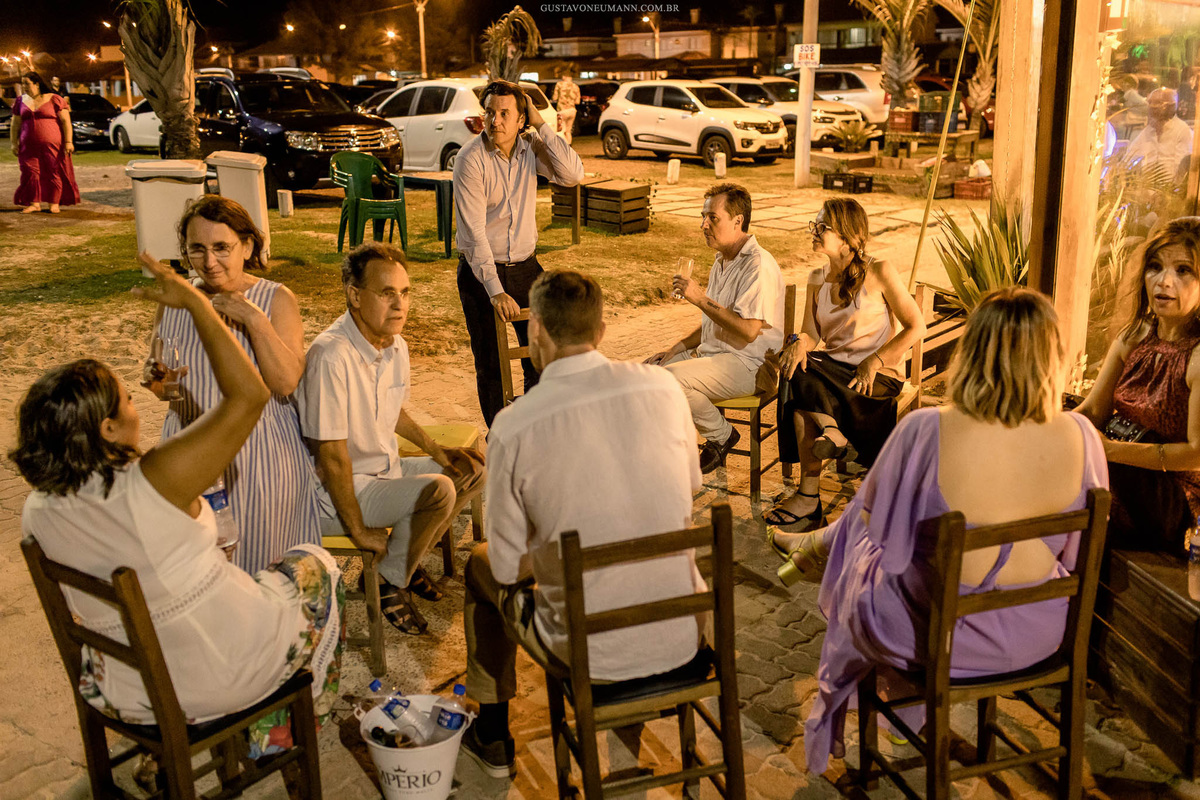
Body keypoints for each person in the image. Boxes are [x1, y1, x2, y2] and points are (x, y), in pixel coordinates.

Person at [11, 253, 345, 759]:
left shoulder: (37, 508)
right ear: (106, 428)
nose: (133, 405)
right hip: (207, 679)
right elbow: (249, 397)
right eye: (125, 399)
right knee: (316, 564)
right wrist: (195, 301)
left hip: (123, 688)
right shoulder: (154, 480)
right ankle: (274, 733)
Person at [794, 287, 1109, 773]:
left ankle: (816, 548)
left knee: (863, 544)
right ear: (1053, 357)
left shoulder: (927, 429)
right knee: (889, 548)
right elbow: (1074, 552)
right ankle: (819, 548)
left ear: (972, 351)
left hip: (936, 639)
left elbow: (876, 527)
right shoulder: (1083, 437)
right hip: (1039, 633)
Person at [460, 270, 705, 777]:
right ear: (602, 332)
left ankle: (493, 733)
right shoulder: (662, 387)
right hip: (681, 634)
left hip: (591, 654)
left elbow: (507, 567)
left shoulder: (514, 423)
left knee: (479, 565)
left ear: (538, 336)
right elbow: (691, 489)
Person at [299, 242, 486, 635]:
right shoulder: (331, 356)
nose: (400, 305)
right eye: (386, 294)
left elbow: (391, 411)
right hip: (339, 491)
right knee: (437, 491)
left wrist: (439, 451)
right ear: (354, 296)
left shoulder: (394, 343)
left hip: (383, 472)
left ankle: (405, 564)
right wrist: (359, 531)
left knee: (472, 469)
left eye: (404, 293)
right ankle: (389, 581)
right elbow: (331, 458)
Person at [145, 195, 320, 574]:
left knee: (261, 570)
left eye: (222, 247)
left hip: (258, 456)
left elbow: (287, 382)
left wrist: (254, 321)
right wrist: (161, 384)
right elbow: (162, 371)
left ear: (248, 246)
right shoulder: (178, 300)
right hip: (190, 451)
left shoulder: (275, 298)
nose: (209, 262)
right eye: (197, 249)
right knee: (197, 570)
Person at [762, 198, 925, 532]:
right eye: (815, 225)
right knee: (797, 363)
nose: (815, 231)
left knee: (800, 390)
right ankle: (831, 432)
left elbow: (916, 326)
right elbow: (809, 334)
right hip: (833, 374)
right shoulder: (815, 278)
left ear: (849, 237)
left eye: (823, 227)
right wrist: (796, 345)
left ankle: (809, 497)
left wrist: (875, 360)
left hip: (876, 378)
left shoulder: (879, 271)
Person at [454, 79, 585, 427]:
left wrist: (543, 125)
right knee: (490, 362)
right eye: (489, 112)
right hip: (482, 272)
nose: (494, 121)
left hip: (526, 268)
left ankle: (534, 426)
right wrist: (495, 291)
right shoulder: (470, 159)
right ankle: (502, 436)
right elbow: (473, 233)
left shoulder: (530, 147)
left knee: (544, 353)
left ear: (521, 120)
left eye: (504, 114)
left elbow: (572, 174)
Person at [1077, 217, 1200, 553]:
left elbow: (1197, 454)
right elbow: (1092, 410)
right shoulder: (1136, 335)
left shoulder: (1198, 356)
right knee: (1061, 416)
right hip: (1118, 465)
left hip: (1173, 501)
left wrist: (1110, 450)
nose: (1163, 281)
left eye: (1183, 270)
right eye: (1155, 267)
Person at [645, 183, 785, 473]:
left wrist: (699, 298)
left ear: (738, 221)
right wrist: (676, 348)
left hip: (749, 366)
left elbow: (747, 331)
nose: (703, 224)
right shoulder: (722, 259)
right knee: (647, 374)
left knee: (670, 381)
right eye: (703, 216)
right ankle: (663, 451)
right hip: (716, 357)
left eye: (712, 218)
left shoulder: (757, 264)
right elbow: (714, 321)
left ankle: (721, 436)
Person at [9, 71, 80, 214]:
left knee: (53, 171)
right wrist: (14, 143)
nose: (24, 87)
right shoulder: (21, 101)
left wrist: (68, 141)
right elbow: (15, 124)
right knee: (30, 173)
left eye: (27, 83)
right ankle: (34, 203)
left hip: (53, 145)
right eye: (22, 84)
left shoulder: (54, 99)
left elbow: (66, 121)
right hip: (28, 146)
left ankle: (54, 203)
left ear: (36, 83)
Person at [1123, 88, 1193, 179]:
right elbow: (1129, 159)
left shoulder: (1183, 131)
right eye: (1150, 103)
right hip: (1145, 188)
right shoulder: (1148, 131)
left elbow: (1182, 173)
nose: (1152, 107)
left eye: (1157, 103)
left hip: (1169, 190)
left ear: (1172, 107)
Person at [551, 71, 580, 145]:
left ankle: (564, 147)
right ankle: (569, 145)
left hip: (562, 110)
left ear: (564, 76)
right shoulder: (575, 86)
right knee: (568, 130)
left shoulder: (559, 84)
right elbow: (577, 102)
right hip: (572, 110)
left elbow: (555, 97)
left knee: (562, 130)